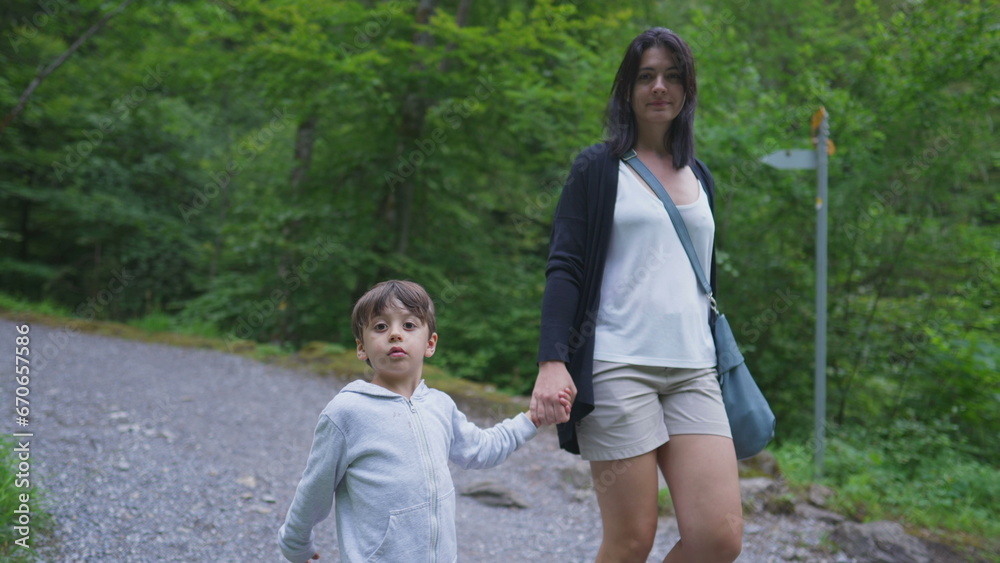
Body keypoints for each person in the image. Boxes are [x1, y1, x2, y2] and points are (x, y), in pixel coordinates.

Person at [529, 27, 743, 563]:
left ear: (688, 89)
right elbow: (566, 268)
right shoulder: (597, 170)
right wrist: (553, 360)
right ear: (628, 88)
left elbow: (701, 280)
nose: (659, 87)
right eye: (646, 75)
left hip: (694, 369)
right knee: (630, 541)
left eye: (672, 75)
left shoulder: (701, 177)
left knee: (718, 539)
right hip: (617, 366)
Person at [278, 279, 570, 563]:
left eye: (409, 325)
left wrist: (532, 419)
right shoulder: (347, 411)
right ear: (361, 348)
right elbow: (314, 487)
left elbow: (481, 449)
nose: (395, 334)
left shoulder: (440, 405)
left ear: (430, 343)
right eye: (380, 326)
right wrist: (295, 545)